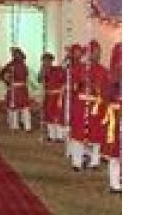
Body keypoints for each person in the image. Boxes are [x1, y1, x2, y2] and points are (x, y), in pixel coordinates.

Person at [69, 40, 109, 171]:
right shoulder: (79, 68)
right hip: (80, 105)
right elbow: (73, 87)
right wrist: (81, 83)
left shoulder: (104, 71)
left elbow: (106, 90)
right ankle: (77, 162)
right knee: (78, 134)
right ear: (88, 53)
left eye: (99, 52)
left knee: (96, 135)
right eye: (95, 52)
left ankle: (94, 161)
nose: (97, 55)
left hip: (96, 107)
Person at [103, 42, 122, 193]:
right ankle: (115, 183)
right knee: (115, 150)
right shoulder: (112, 76)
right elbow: (107, 96)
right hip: (117, 115)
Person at [0, 47, 31, 131]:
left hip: (22, 89)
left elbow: (25, 76)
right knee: (14, 108)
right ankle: (14, 125)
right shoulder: (10, 65)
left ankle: (27, 126)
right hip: (13, 89)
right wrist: (7, 80)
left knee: (25, 107)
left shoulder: (24, 66)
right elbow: (2, 75)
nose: (16, 56)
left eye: (17, 54)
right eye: (14, 54)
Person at [38, 52, 66, 142]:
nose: (46, 62)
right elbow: (39, 80)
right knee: (49, 116)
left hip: (57, 96)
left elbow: (64, 80)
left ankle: (60, 136)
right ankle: (51, 135)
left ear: (51, 61)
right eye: (44, 61)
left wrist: (61, 91)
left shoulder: (57, 69)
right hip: (48, 96)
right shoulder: (43, 71)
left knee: (57, 116)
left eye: (48, 60)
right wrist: (42, 71)